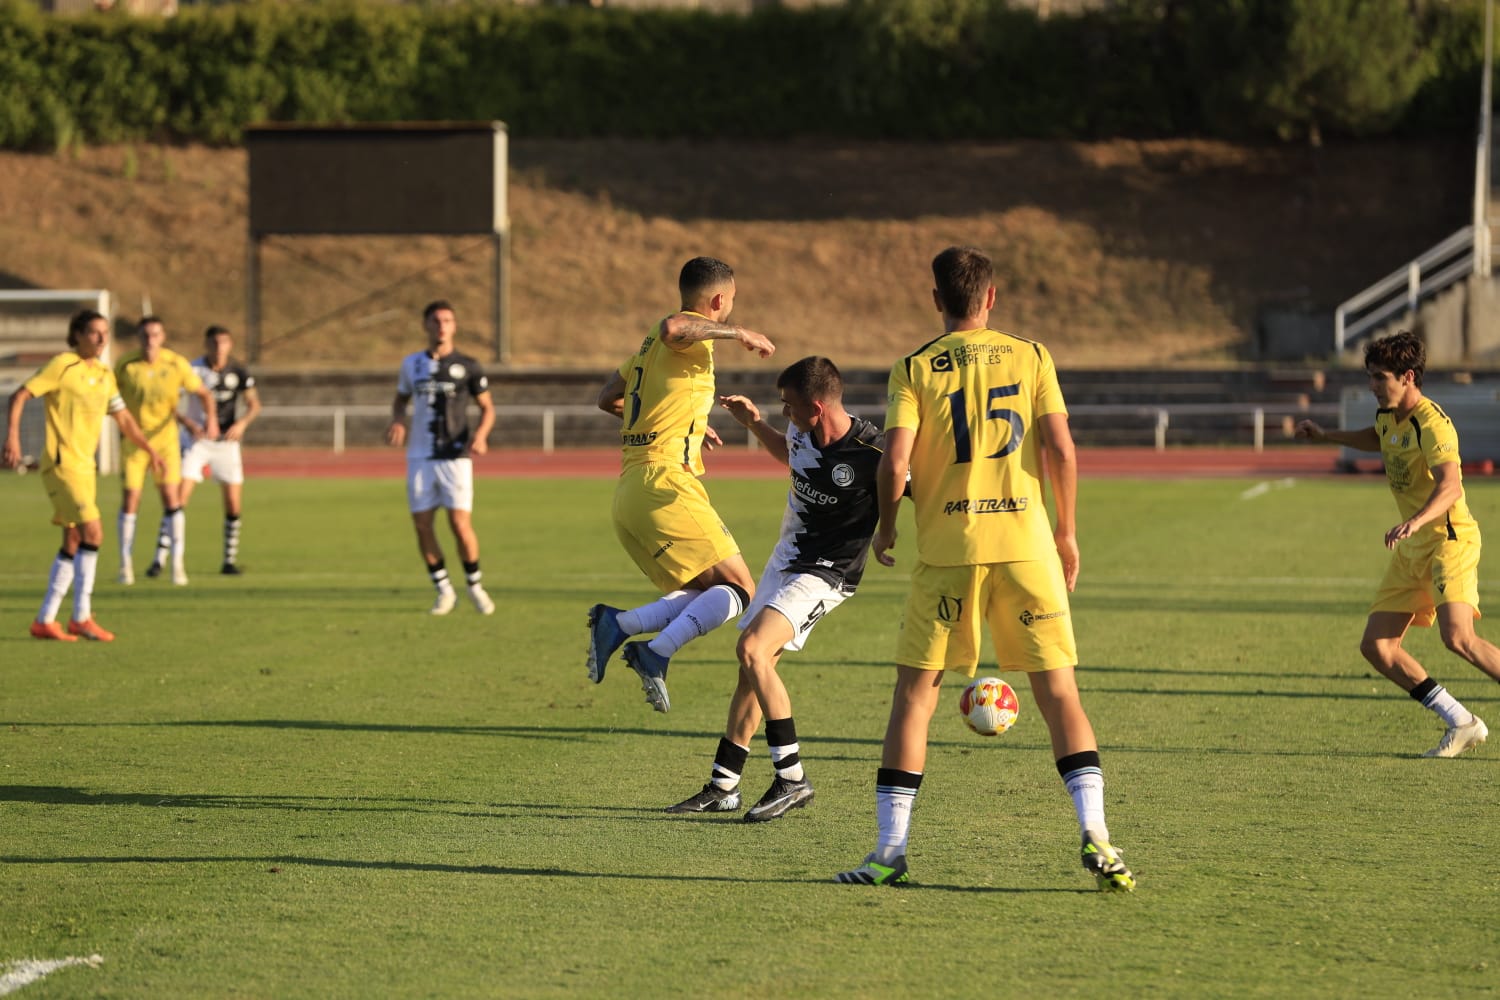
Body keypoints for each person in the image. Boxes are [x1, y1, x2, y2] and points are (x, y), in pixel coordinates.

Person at [834, 246, 1135, 891]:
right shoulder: (1032, 355)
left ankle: (889, 854)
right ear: (992, 298)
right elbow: (1060, 447)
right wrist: (1067, 530)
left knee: (915, 700)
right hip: (1028, 548)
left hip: (949, 552)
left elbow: (893, 464)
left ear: (936, 299)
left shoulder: (914, 367)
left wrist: (887, 526)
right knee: (1060, 696)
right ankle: (1099, 838)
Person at [665, 357, 886, 822]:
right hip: (786, 560)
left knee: (751, 649)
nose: (784, 413)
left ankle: (792, 777)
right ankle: (724, 786)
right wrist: (757, 423)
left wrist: (892, 534)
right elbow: (789, 454)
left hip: (828, 572)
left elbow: (917, 489)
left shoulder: (872, 450)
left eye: (788, 406)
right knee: (754, 668)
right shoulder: (802, 433)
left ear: (818, 406)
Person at [585, 256, 776, 713]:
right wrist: (738, 333)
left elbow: (606, 398)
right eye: (731, 304)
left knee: (705, 589)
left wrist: (684, 424)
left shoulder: (646, 349)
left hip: (633, 487)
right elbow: (676, 328)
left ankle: (620, 623)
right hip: (664, 481)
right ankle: (654, 652)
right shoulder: (678, 334)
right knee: (742, 591)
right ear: (718, 300)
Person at [1296, 330, 1498, 758]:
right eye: (1369, 376)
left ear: (1407, 377)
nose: (1372, 385)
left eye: (1379, 377)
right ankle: (1461, 721)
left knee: (1459, 638)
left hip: (1447, 540)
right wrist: (1327, 436)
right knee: (1379, 648)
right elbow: (1378, 438)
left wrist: (1414, 521)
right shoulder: (1388, 416)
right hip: (1413, 548)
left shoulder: (1433, 422)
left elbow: (1452, 487)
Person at [3, 309, 164, 641]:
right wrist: (13, 438)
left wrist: (149, 449)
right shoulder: (63, 364)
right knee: (94, 531)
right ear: (77, 335)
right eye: (94, 332)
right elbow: (19, 395)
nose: (102, 338)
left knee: (74, 539)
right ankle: (81, 616)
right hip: (62, 466)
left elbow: (123, 419)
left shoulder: (106, 375)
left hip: (86, 469)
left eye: (105, 332)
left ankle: (45, 620)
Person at [385, 299, 497, 616]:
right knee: (422, 525)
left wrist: (481, 435)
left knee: (460, 524)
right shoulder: (411, 364)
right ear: (426, 325)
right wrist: (397, 420)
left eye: (447, 320)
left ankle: (474, 585)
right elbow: (400, 400)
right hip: (420, 457)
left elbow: (487, 407)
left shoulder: (469, 365)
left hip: (455, 457)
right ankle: (444, 589)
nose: (441, 326)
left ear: (454, 326)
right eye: (436, 320)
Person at [114, 316, 218, 586]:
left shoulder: (176, 363)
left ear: (163, 337)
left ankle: (177, 564)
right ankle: (125, 565)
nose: (150, 340)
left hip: (166, 443)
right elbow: (111, 397)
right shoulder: (126, 365)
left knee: (172, 500)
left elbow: (204, 393)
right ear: (139, 337)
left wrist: (211, 420)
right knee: (130, 501)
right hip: (135, 444)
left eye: (155, 335)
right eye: (145, 335)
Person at [175, 325, 261, 575]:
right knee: (179, 499)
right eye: (214, 342)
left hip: (226, 443)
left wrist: (242, 423)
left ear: (230, 345)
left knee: (233, 504)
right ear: (206, 344)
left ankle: (228, 561)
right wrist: (188, 424)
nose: (219, 347)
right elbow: (171, 401)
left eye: (224, 342)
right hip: (197, 441)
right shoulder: (193, 370)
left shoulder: (238, 371)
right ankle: (163, 559)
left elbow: (254, 404)